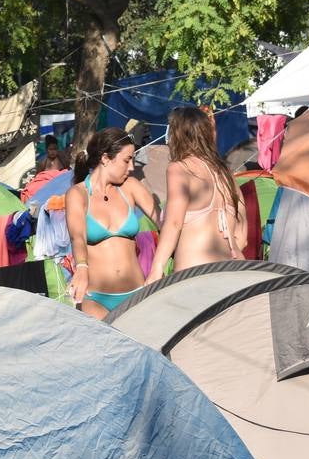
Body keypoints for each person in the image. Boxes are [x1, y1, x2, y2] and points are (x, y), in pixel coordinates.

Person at [65, 128, 159, 317]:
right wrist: (81, 267)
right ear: (106, 159)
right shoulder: (78, 194)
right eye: (127, 160)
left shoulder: (131, 187)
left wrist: (159, 265)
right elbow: (78, 238)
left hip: (137, 294)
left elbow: (165, 223)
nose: (131, 167)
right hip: (95, 297)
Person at [146, 107, 247, 280]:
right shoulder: (227, 173)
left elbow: (174, 223)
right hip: (231, 270)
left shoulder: (180, 169)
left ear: (178, 135)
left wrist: (157, 267)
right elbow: (243, 233)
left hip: (193, 273)